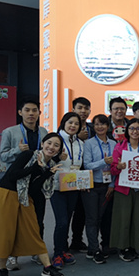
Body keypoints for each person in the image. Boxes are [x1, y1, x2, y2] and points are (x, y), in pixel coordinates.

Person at [0, 133, 65, 276]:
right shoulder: (29, 155)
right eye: (49, 143)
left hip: (25, 197)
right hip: (6, 193)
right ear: (42, 144)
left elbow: (34, 188)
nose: (52, 147)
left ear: (59, 150)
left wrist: (47, 173)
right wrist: (35, 167)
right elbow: (12, 175)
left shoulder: (48, 164)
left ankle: (47, 267)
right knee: (4, 232)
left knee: (33, 229)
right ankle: (2, 269)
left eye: (56, 145)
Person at [0, 96, 48, 270]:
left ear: (39, 113)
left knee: (38, 219)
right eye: (27, 110)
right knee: (15, 221)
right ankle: (12, 256)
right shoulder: (10, 132)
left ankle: (36, 252)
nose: (31, 113)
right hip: (17, 183)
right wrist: (17, 150)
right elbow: (2, 156)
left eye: (34, 110)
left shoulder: (43, 131)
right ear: (20, 112)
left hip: (36, 182)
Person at [110, 119, 139, 262]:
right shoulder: (120, 147)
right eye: (132, 128)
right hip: (124, 189)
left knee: (137, 219)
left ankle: (134, 246)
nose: (135, 131)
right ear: (127, 130)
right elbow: (113, 169)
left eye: (138, 129)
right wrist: (118, 167)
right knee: (123, 219)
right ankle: (123, 247)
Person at [50, 112, 85, 268]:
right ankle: (57, 254)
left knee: (67, 220)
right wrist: (57, 158)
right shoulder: (55, 140)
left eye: (76, 124)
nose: (73, 126)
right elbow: (45, 160)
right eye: (70, 122)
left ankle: (64, 250)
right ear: (63, 123)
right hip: (57, 187)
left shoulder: (81, 143)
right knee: (62, 221)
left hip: (73, 186)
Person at [82, 114, 117, 264]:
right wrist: (103, 161)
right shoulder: (89, 143)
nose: (100, 127)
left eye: (103, 124)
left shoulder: (114, 144)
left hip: (107, 186)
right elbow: (87, 165)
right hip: (92, 186)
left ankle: (103, 246)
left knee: (103, 218)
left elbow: (116, 167)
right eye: (96, 124)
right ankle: (94, 249)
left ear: (108, 126)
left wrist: (112, 185)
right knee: (92, 218)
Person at [70, 97, 93, 253]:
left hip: (88, 173)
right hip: (71, 173)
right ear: (73, 109)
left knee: (82, 209)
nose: (83, 111)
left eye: (86, 108)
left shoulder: (92, 128)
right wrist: (77, 137)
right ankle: (62, 245)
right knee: (67, 211)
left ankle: (77, 240)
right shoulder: (68, 126)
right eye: (80, 108)